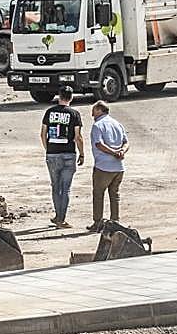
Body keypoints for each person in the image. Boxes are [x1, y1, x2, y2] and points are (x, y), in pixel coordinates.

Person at [40, 85, 84, 229]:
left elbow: (43, 134)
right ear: (71, 97)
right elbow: (78, 137)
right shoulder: (74, 114)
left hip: (52, 154)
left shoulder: (49, 112)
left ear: (59, 96)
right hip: (68, 154)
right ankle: (61, 218)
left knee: (55, 186)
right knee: (65, 188)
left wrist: (49, 150)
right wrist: (82, 153)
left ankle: (58, 216)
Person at [87, 100, 129, 232]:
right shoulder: (117, 124)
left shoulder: (98, 125)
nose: (92, 113)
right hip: (119, 167)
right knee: (114, 194)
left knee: (98, 194)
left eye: (94, 110)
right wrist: (121, 151)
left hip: (104, 167)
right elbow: (126, 142)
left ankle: (98, 223)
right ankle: (115, 222)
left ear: (99, 110)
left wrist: (114, 152)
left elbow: (98, 144)